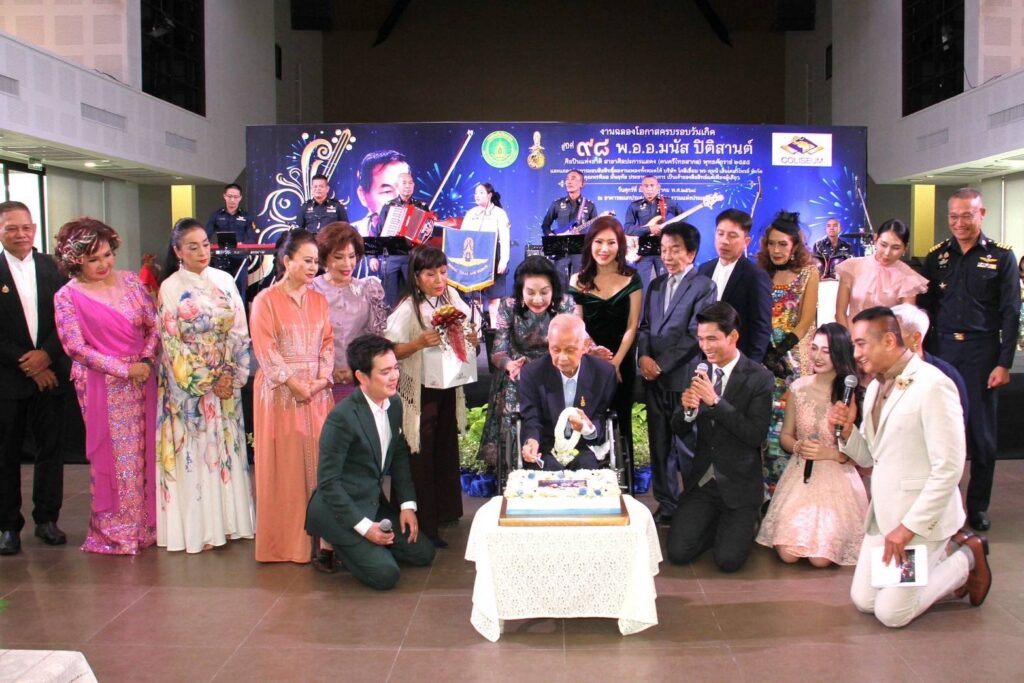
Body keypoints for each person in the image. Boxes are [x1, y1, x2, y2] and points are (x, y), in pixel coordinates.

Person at [831, 306, 991, 627]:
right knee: (864, 601)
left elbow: (949, 468)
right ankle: (935, 563)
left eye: (861, 344)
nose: (856, 354)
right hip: (884, 517)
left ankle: (966, 559)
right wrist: (847, 432)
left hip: (921, 523)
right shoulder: (874, 387)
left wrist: (908, 528)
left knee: (891, 614)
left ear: (889, 340)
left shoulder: (934, 385)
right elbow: (872, 457)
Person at [53, 217, 159, 555]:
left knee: (146, 452)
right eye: (93, 259)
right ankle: (116, 530)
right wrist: (123, 370)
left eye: (107, 255)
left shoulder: (131, 281)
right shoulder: (66, 296)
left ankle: (148, 525)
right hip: (103, 385)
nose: (103, 264)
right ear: (75, 261)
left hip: (144, 378)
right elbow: (75, 347)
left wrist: (145, 361)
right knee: (115, 457)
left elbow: (154, 325)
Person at [922, 188, 1019, 531]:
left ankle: (977, 507)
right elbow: (927, 310)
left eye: (967, 215)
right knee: (938, 433)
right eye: (953, 216)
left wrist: (1004, 363)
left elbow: (1011, 312)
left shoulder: (1001, 256)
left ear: (982, 214)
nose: (959, 222)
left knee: (981, 437)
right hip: (943, 352)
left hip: (982, 353)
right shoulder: (936, 256)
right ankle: (939, 507)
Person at [305, 334, 436, 589]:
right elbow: (329, 483)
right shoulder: (342, 418)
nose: (394, 376)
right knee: (386, 575)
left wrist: (407, 506)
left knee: (423, 553)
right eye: (385, 372)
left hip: (372, 502)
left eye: (395, 368)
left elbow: (399, 456)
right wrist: (365, 529)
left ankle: (364, 548)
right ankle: (331, 541)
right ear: (362, 377)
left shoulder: (394, 403)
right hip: (339, 510)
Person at [156, 218, 255, 553]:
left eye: (204, 244)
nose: (202, 252)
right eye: (192, 246)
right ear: (178, 251)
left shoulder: (225, 280)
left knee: (225, 449)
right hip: (189, 388)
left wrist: (231, 374)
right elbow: (172, 342)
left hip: (225, 382)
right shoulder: (170, 287)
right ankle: (200, 529)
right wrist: (208, 379)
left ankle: (229, 523)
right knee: (196, 454)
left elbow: (240, 330)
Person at [666, 302, 774, 573]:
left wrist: (715, 402)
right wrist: (688, 411)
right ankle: (713, 524)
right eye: (701, 339)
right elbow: (678, 428)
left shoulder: (759, 377)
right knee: (678, 553)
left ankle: (743, 523)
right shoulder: (698, 371)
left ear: (733, 336)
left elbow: (755, 435)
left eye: (712, 339)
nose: (705, 346)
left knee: (728, 561)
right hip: (703, 482)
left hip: (739, 484)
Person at [250, 229, 334, 563]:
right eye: (307, 260)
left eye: (316, 261)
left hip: (316, 393)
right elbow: (265, 348)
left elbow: (328, 343)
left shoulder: (319, 300)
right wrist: (294, 383)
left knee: (321, 465)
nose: (314, 267)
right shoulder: (265, 300)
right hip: (280, 395)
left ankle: (325, 542)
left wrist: (321, 379)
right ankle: (286, 545)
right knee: (285, 470)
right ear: (287, 261)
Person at [385, 246, 478, 548]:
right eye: (430, 274)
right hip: (420, 391)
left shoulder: (451, 297)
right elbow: (389, 350)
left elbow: (468, 331)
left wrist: (472, 337)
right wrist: (418, 344)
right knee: (420, 454)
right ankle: (423, 524)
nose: (439, 279)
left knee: (444, 447)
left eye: (443, 272)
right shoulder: (408, 308)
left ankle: (445, 512)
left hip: (448, 385)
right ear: (416, 277)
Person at [756, 323, 868, 567]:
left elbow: (860, 452)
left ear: (839, 353)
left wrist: (830, 453)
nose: (817, 356)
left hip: (837, 476)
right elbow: (786, 436)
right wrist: (799, 447)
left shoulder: (850, 393)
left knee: (820, 559)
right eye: (814, 348)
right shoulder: (798, 387)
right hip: (801, 474)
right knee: (788, 554)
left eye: (826, 351)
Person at [0, 201, 70, 556]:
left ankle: (47, 519)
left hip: (51, 374)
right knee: (5, 454)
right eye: (11, 228)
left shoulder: (54, 268)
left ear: (35, 229)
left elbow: (68, 318)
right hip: (8, 378)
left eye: (25, 227)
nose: (20, 234)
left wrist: (46, 356)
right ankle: (8, 526)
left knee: (50, 450)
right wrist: (27, 363)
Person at [637, 221, 717, 524]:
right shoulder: (656, 285)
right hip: (653, 380)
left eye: (675, 250)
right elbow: (646, 327)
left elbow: (695, 334)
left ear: (692, 253)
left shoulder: (704, 286)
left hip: (683, 379)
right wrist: (644, 358)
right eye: (664, 250)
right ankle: (667, 505)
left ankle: (695, 504)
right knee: (659, 445)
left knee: (687, 445)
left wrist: (660, 365)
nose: (668, 256)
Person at [476, 256, 577, 467]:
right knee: (513, 402)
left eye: (544, 292)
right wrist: (509, 364)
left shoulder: (565, 304)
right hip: (518, 371)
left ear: (553, 289)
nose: (537, 299)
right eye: (530, 292)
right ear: (521, 291)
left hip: (554, 369)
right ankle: (515, 466)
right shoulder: (508, 306)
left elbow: (578, 337)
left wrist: (593, 350)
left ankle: (555, 464)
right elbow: (498, 351)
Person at [569, 216, 643, 463]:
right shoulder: (578, 280)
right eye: (599, 242)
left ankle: (624, 477)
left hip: (622, 360)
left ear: (620, 245)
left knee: (621, 419)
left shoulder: (632, 277)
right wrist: (594, 354)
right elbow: (578, 325)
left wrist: (615, 363)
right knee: (589, 419)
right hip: (589, 360)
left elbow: (633, 325)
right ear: (590, 243)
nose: (604, 248)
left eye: (611, 243)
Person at [756, 211, 820, 489]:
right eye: (771, 244)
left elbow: (806, 321)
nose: (776, 250)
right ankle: (768, 490)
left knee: (792, 422)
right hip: (764, 357)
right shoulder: (761, 273)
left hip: (794, 359)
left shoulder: (809, 273)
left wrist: (781, 350)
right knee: (766, 422)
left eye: (783, 244)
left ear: (795, 245)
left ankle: (794, 490)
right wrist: (765, 352)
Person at [518, 314, 617, 470]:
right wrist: (532, 441)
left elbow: (601, 416)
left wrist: (587, 428)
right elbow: (531, 418)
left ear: (585, 346)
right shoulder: (532, 373)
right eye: (556, 350)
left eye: (570, 350)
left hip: (585, 446)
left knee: (587, 467)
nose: (562, 358)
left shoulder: (604, 373)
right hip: (546, 446)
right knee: (548, 472)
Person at [310, 222, 387, 404]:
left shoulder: (369, 290)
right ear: (324, 258)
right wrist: (327, 371)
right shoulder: (310, 290)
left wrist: (357, 370)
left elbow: (375, 341)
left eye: (351, 256)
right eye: (338, 257)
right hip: (318, 385)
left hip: (360, 382)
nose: (347, 264)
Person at [697, 208, 772, 362]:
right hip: (703, 360)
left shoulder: (755, 275)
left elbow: (761, 327)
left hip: (737, 360)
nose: (724, 241)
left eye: (732, 236)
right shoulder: (704, 269)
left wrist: (750, 367)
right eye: (720, 233)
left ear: (746, 241)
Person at [834, 219, 927, 329]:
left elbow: (906, 322)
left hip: (887, 337)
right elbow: (840, 313)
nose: (887, 253)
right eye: (883, 245)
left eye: (896, 248)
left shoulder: (908, 277)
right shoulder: (852, 267)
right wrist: (847, 338)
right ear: (875, 239)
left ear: (905, 249)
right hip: (852, 334)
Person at [891, 303, 968, 424]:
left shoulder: (944, 376)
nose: (886, 341)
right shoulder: (879, 374)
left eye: (894, 335)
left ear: (916, 338)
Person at [351, 150, 411, 278]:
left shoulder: (414, 231)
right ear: (363, 195)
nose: (399, 198)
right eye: (387, 191)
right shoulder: (351, 233)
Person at [462, 182, 511, 323]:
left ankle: (494, 329)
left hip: (494, 258)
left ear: (490, 195)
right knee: (475, 298)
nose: (477, 196)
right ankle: (476, 330)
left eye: (481, 192)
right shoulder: (471, 213)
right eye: (476, 193)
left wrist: (503, 261)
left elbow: (505, 239)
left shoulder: (499, 213)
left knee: (494, 297)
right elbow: (463, 237)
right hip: (474, 259)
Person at [377, 172, 430, 307]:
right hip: (392, 254)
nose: (408, 186)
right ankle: (389, 318)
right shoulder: (389, 206)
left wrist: (427, 230)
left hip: (413, 255)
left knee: (413, 293)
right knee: (389, 295)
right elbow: (379, 232)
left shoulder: (421, 206)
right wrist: (373, 256)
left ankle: (414, 316)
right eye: (404, 183)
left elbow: (429, 230)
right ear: (397, 186)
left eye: (410, 183)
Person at [624, 176, 683, 291]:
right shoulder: (634, 206)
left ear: (658, 187)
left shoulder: (667, 202)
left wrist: (669, 231)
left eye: (652, 185)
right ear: (641, 188)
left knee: (665, 286)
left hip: (663, 250)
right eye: (646, 186)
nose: (649, 189)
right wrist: (649, 229)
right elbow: (627, 229)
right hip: (643, 251)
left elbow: (682, 218)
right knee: (641, 288)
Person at [540, 170, 598, 282]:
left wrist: (584, 235)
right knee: (560, 283)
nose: (569, 181)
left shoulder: (589, 205)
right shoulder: (557, 204)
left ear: (582, 183)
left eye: (573, 178)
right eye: (567, 179)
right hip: (561, 251)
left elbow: (596, 230)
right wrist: (551, 236)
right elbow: (545, 225)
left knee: (578, 283)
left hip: (580, 252)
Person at [206, 183, 258, 302]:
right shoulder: (216, 215)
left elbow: (252, 239)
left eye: (235, 197)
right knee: (220, 292)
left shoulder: (246, 216)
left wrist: (242, 245)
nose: (232, 200)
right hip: (220, 258)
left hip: (240, 259)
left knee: (240, 291)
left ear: (240, 198)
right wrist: (208, 245)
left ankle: (241, 313)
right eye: (229, 196)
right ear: (224, 196)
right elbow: (206, 235)